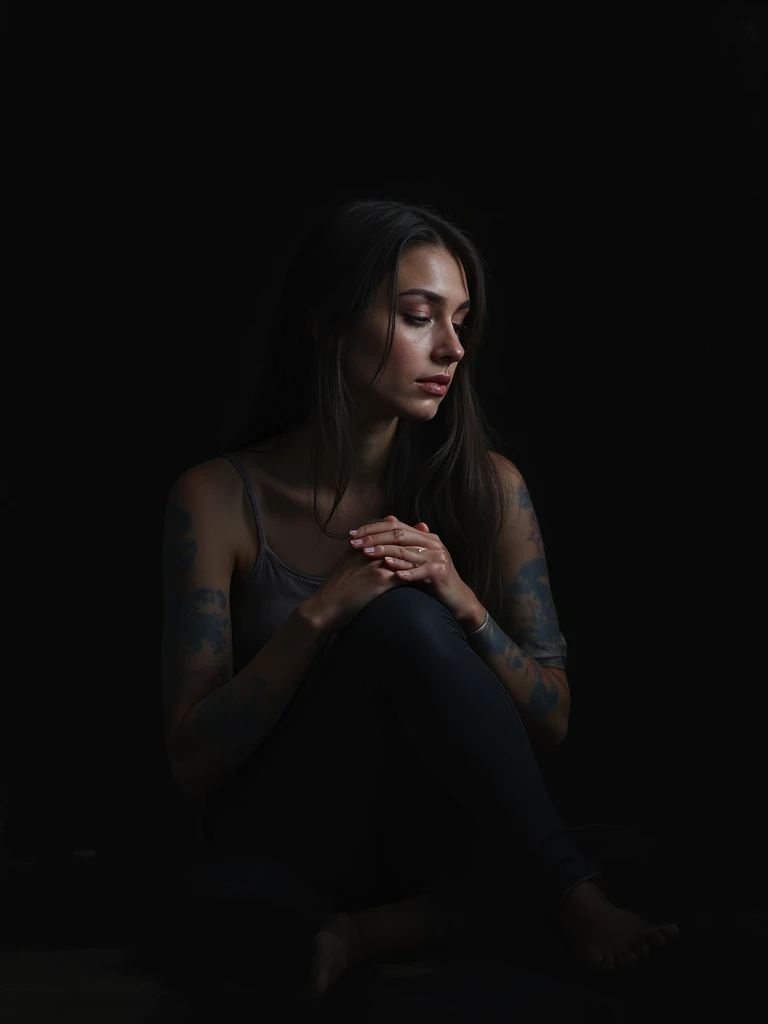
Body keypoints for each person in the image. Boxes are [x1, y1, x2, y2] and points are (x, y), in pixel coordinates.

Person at [160, 198, 680, 1003]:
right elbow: (193, 763)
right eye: (416, 316)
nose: (451, 348)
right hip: (297, 833)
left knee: (645, 853)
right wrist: (322, 613)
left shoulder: (490, 489)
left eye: (461, 320)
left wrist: (462, 601)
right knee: (225, 902)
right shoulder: (218, 498)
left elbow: (552, 719)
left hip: (432, 836)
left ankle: (371, 929)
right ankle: (557, 897)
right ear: (330, 324)